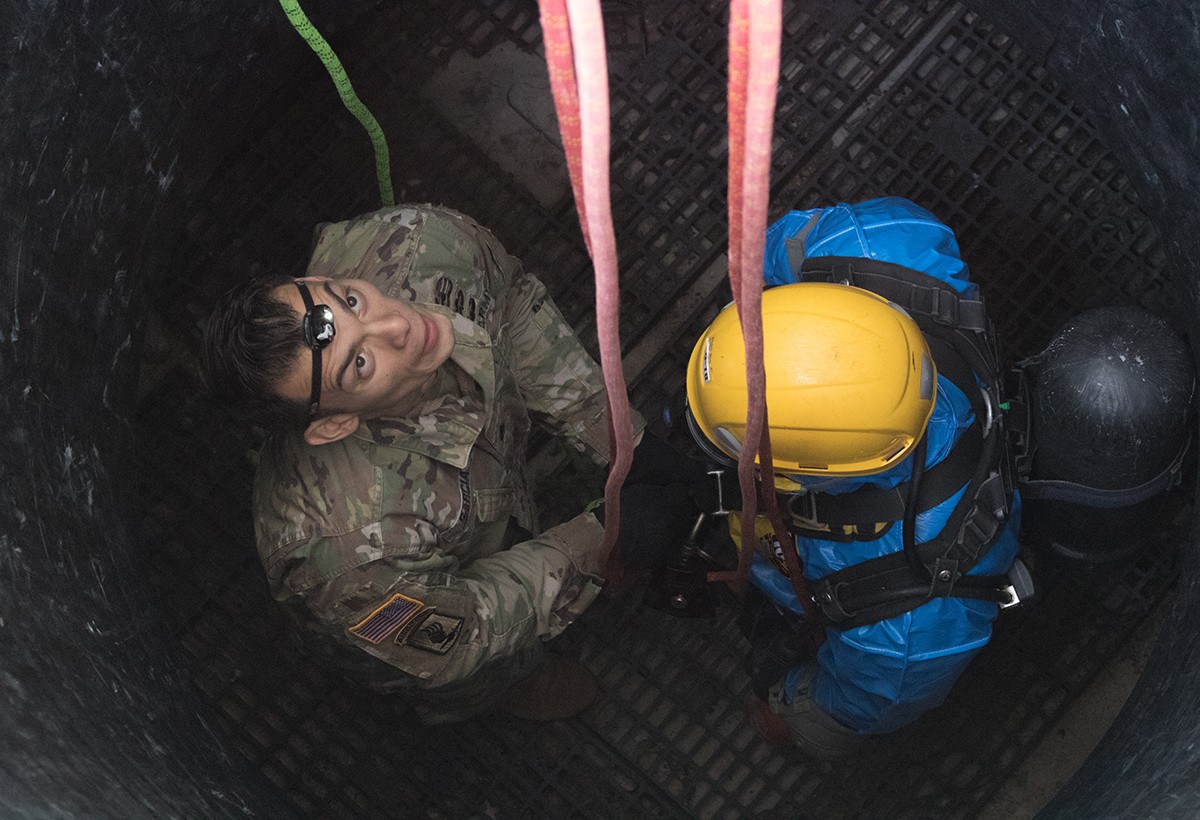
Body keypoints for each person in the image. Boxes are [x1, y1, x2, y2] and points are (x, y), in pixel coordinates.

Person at [199, 203, 700, 724]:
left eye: (350, 299)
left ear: (318, 279)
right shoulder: (352, 560)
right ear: (333, 425)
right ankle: (521, 684)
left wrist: (621, 441)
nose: (399, 323)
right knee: (470, 677)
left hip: (488, 482)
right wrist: (600, 541)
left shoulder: (419, 243)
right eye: (361, 363)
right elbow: (456, 638)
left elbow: (510, 301)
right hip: (400, 622)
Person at [685, 197, 1024, 758]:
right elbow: (756, 257)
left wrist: (781, 700)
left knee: (806, 733)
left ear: (810, 478)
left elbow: (850, 712)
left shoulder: (906, 633)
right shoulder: (877, 243)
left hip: (885, 583)